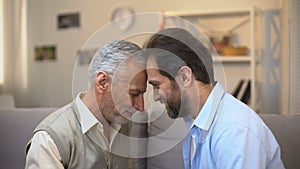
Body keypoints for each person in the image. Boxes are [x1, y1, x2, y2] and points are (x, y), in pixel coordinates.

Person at [143, 28, 285, 169]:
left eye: (156, 85)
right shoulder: (199, 124)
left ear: (184, 77)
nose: (155, 97)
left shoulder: (233, 131)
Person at [25, 40, 147, 169]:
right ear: (103, 82)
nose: (141, 106)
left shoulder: (123, 123)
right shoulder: (49, 139)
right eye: (134, 93)